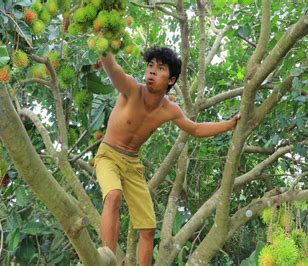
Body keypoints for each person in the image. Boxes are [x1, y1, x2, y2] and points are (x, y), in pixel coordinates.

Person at [94, 46, 240, 265]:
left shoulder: (169, 109)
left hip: (132, 163)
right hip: (108, 156)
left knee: (148, 227)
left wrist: (230, 124)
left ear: (171, 79)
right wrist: (103, 45)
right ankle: (107, 257)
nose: (152, 71)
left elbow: (196, 129)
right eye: (150, 66)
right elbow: (114, 71)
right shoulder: (132, 89)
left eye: (160, 68)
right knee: (113, 196)